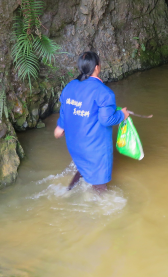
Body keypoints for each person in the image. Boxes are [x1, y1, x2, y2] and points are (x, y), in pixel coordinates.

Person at [53, 51, 130, 192]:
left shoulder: (70, 86)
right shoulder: (104, 93)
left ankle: (67, 193)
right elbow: (106, 119)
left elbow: (65, 110)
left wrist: (60, 126)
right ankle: (101, 211)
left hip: (75, 144)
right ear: (96, 67)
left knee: (83, 166)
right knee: (99, 184)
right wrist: (122, 115)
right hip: (94, 147)